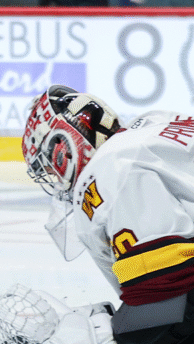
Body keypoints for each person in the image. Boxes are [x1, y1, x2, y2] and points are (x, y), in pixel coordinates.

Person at [21, 85, 194, 343]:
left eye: (51, 169)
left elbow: (166, 289)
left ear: (63, 148)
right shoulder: (159, 124)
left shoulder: (111, 167)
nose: (57, 181)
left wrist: (109, 334)